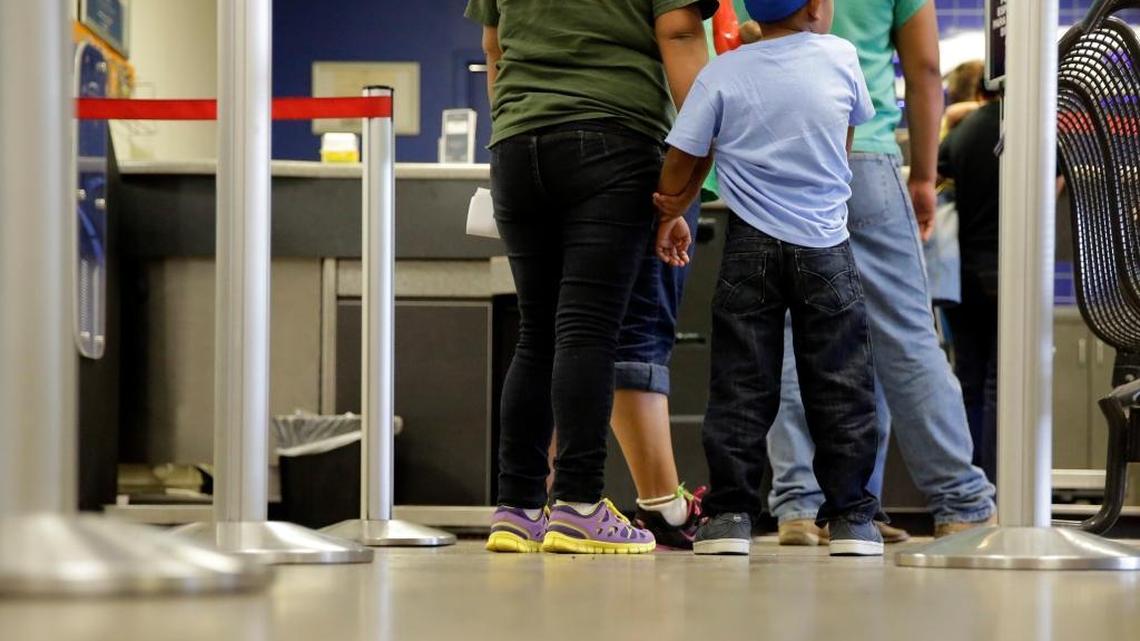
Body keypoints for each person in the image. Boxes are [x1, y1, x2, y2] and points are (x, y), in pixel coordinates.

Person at [465, 0, 717, 555]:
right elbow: (679, 35)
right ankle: (579, 504)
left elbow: (494, 48)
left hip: (516, 144)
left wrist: (517, 126)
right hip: (613, 139)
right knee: (588, 330)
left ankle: (519, 509)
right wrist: (687, 179)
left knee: (537, 334)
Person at [654, 0, 885, 557]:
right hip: (826, 245)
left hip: (749, 245)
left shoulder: (724, 70)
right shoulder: (842, 57)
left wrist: (670, 203)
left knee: (740, 383)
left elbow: (683, 154)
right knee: (841, 384)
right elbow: (845, 140)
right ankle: (853, 519)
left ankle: (730, 516)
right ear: (815, 8)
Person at [762, 0, 998, 545]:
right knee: (905, 335)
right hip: (863, 158)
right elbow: (924, 71)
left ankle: (803, 505)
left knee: (798, 337)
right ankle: (960, 498)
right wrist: (924, 174)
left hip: (783, 161)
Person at [939, 77, 1002, 485]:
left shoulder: (961, 134)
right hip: (1010, 271)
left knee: (970, 382)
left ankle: (970, 481)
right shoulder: (1034, 128)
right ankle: (1000, 485)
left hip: (962, 276)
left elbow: (938, 179)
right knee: (1003, 384)